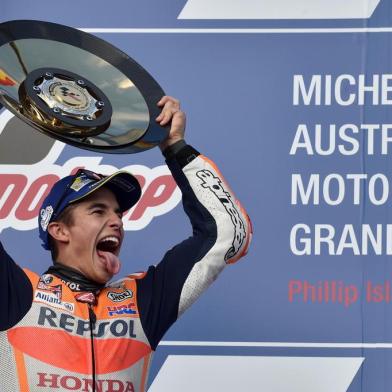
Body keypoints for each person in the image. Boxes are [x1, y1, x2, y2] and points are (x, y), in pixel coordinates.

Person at [0, 96, 252, 392]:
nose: (117, 221)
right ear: (59, 230)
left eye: (118, 213)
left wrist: (176, 148)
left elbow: (229, 234)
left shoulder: (141, 303)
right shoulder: (17, 295)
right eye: (98, 211)